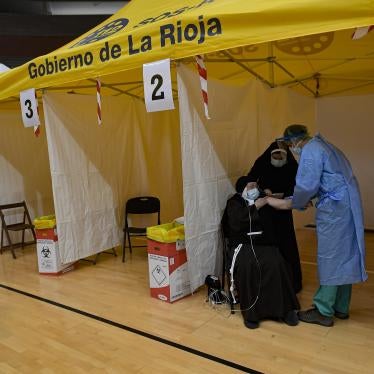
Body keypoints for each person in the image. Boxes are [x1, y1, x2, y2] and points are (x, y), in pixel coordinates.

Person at [267, 124, 367, 327]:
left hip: (335, 209)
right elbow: (326, 179)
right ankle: (341, 307)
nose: (289, 149)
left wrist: (291, 202)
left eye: (288, 144)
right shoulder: (324, 145)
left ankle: (323, 310)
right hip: (346, 204)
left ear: (293, 142)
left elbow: (306, 185)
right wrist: (307, 197)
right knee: (344, 254)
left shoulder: (310, 151)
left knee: (330, 256)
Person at [221, 176, 300, 329]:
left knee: (277, 262)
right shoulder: (234, 203)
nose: (255, 189)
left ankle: (285, 310)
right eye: (251, 186)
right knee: (248, 265)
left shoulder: (265, 200)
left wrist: (299, 201)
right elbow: (236, 224)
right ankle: (252, 313)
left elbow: (281, 210)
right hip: (242, 246)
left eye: (256, 186)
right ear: (242, 188)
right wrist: (256, 206)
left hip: (265, 244)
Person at [247, 141, 302, 293]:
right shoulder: (262, 162)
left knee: (286, 244)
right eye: (275, 155)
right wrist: (262, 190)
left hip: (283, 210)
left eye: (281, 155)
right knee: (268, 243)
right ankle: (268, 281)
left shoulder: (292, 166)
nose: (278, 158)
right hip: (266, 211)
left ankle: (291, 282)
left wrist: (286, 195)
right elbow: (250, 180)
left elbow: (298, 186)